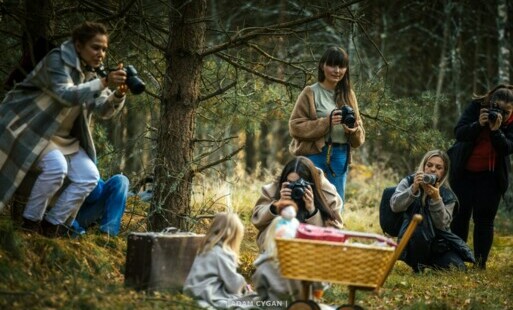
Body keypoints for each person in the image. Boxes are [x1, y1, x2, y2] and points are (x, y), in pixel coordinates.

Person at [0, 21, 128, 237]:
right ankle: (30, 223)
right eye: (96, 47)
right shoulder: (56, 60)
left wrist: (118, 94)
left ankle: (52, 225)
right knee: (57, 168)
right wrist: (105, 81)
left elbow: (102, 109)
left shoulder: (91, 74)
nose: (101, 54)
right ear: (78, 46)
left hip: (63, 140)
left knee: (89, 175)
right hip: (35, 130)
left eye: (104, 49)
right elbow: (66, 95)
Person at [288, 46, 365, 210]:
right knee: (308, 199)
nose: (337, 70)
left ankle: (333, 235)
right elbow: (295, 127)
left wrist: (353, 131)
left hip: (340, 155)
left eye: (341, 66)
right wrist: (326, 122)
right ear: (322, 66)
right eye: (332, 65)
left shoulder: (348, 94)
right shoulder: (310, 92)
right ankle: (306, 234)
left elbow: (359, 137)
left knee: (335, 204)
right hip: (314, 153)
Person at [448, 85, 513, 269]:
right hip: (464, 172)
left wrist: (496, 130)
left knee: (484, 220)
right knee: (460, 217)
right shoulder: (478, 107)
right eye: (498, 108)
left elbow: (507, 148)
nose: (501, 114)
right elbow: (459, 133)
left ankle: (480, 264)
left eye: (507, 112)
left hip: (491, 177)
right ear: (491, 102)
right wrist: (478, 124)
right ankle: (458, 261)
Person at [390, 150, 473, 273]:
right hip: (412, 241)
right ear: (423, 166)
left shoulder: (448, 195)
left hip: (437, 246)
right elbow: (395, 206)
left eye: (439, 167)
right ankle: (418, 265)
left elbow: (442, 225)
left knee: (458, 269)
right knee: (419, 223)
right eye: (429, 165)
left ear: (444, 172)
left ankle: (430, 264)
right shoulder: (408, 182)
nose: (433, 170)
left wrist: (436, 199)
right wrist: (413, 190)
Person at [251, 156, 342, 251]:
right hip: (277, 247)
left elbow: (335, 231)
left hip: (314, 250)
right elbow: (257, 221)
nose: (295, 187)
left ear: (311, 182)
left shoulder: (327, 192)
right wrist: (277, 205)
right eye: (290, 183)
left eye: (300, 183)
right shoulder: (275, 188)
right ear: (284, 179)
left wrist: (312, 211)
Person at [183, 212, 257, 309]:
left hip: (193, 290)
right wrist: (245, 286)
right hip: (208, 294)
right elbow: (233, 284)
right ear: (232, 236)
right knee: (254, 301)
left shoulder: (206, 248)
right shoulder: (221, 253)